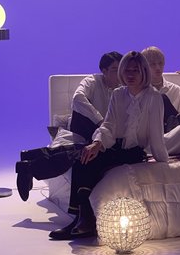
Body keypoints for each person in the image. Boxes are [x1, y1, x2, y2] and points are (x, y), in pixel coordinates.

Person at [49, 51, 169, 240]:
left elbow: (156, 134)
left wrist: (164, 162)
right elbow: (109, 125)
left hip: (134, 152)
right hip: (114, 147)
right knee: (83, 159)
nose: (130, 75)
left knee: (90, 164)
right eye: (127, 70)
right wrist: (97, 144)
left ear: (143, 72)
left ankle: (84, 222)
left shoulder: (154, 97)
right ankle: (82, 219)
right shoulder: (118, 94)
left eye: (135, 70)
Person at [15, 52, 122, 201]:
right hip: (85, 126)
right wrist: (100, 120)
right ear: (104, 71)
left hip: (100, 133)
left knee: (83, 152)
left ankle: (30, 163)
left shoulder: (123, 88)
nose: (119, 74)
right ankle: (30, 162)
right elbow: (77, 98)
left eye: (121, 69)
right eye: (115, 70)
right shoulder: (92, 81)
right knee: (84, 112)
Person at [141, 46, 180, 131]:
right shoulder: (139, 91)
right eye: (152, 64)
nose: (158, 67)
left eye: (160, 63)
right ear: (143, 67)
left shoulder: (176, 90)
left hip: (174, 134)